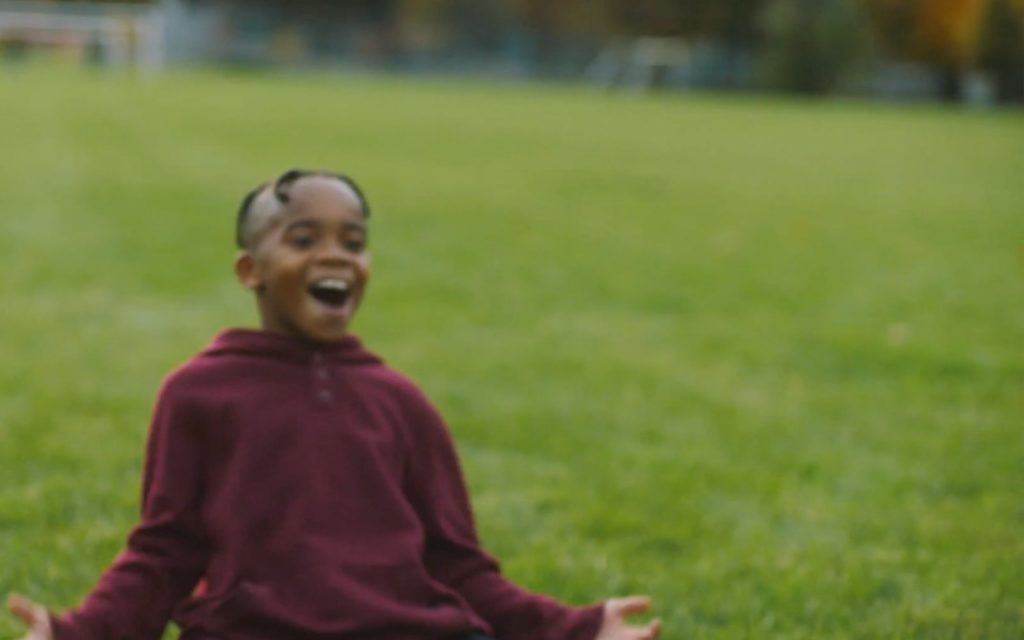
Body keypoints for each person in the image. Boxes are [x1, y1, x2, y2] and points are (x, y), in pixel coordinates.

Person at [7, 170, 662, 640]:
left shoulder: (400, 402)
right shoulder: (198, 393)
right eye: (303, 238)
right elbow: (164, 552)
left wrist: (578, 628)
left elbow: (457, 564)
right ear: (249, 270)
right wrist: (78, 632)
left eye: (352, 241)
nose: (334, 256)